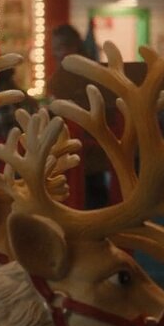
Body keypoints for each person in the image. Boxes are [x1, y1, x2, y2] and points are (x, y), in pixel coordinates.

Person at [45, 24, 112, 207]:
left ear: (72, 47)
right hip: (90, 145)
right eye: (54, 48)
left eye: (59, 48)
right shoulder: (89, 69)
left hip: (84, 145)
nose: (55, 54)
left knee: (87, 195)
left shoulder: (72, 74)